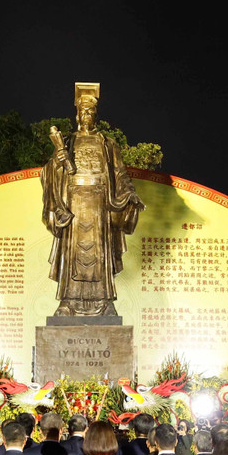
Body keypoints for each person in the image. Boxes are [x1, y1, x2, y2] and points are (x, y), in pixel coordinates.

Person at [40, 82, 145, 317]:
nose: (86, 115)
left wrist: (130, 195)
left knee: (100, 255)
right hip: (73, 205)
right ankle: (67, 302)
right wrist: (57, 163)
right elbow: (48, 172)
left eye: (90, 111)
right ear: (77, 114)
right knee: (72, 255)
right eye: (82, 111)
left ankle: (105, 302)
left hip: (99, 205)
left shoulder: (107, 144)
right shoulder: (67, 142)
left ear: (96, 115)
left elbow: (120, 174)